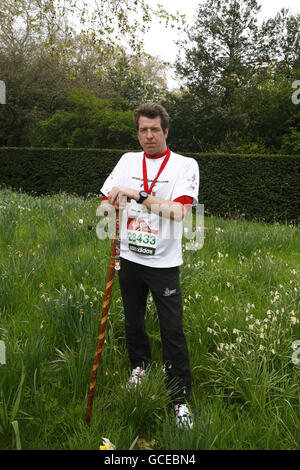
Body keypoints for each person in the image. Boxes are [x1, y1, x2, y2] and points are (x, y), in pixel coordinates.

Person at [100, 103, 199, 429]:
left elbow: (179, 212)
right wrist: (110, 205)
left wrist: (137, 195)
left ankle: (179, 398)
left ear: (166, 131)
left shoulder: (185, 166)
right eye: (143, 129)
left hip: (164, 263)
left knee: (172, 330)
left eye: (155, 129)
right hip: (128, 257)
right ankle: (139, 367)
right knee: (133, 319)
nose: (148, 135)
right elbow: (103, 204)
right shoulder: (127, 160)